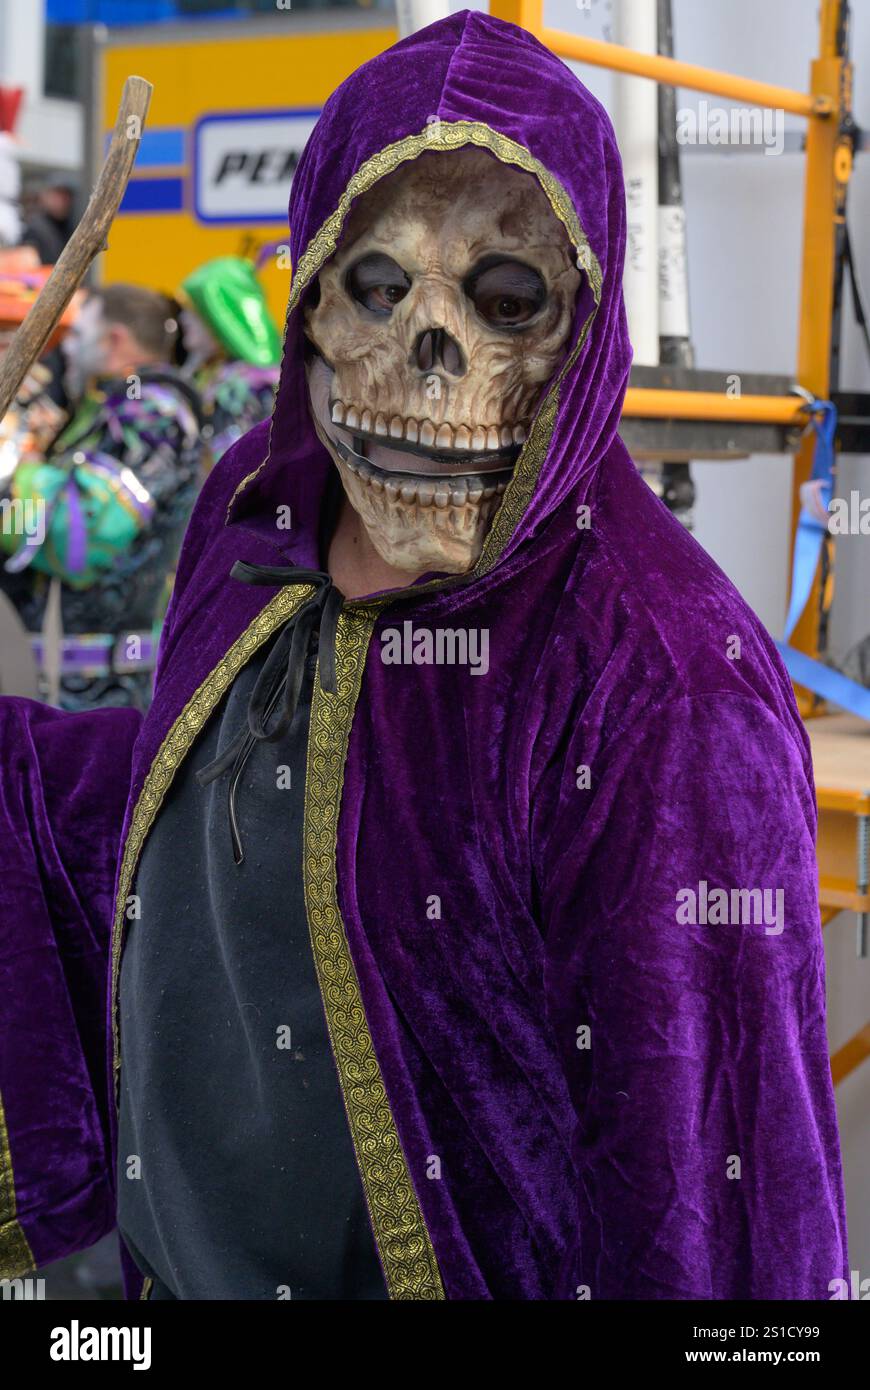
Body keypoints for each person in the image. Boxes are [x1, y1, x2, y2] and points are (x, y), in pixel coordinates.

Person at [0, 13, 848, 1301]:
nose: (429, 358)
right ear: (311, 299)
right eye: (379, 290)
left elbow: (716, 1185)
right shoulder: (253, 509)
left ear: (589, 319)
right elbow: (207, 814)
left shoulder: (661, 682)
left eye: (508, 301)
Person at [0, 283, 204, 710]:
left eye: (77, 335)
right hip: (64, 683)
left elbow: (81, 537)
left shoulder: (154, 414)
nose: (67, 349)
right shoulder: (104, 413)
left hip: (115, 693)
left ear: (113, 339)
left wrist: (8, 480)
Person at [178, 256, 281, 467]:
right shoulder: (214, 374)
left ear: (221, 316)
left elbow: (233, 469)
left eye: (195, 310)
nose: (183, 319)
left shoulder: (248, 387)